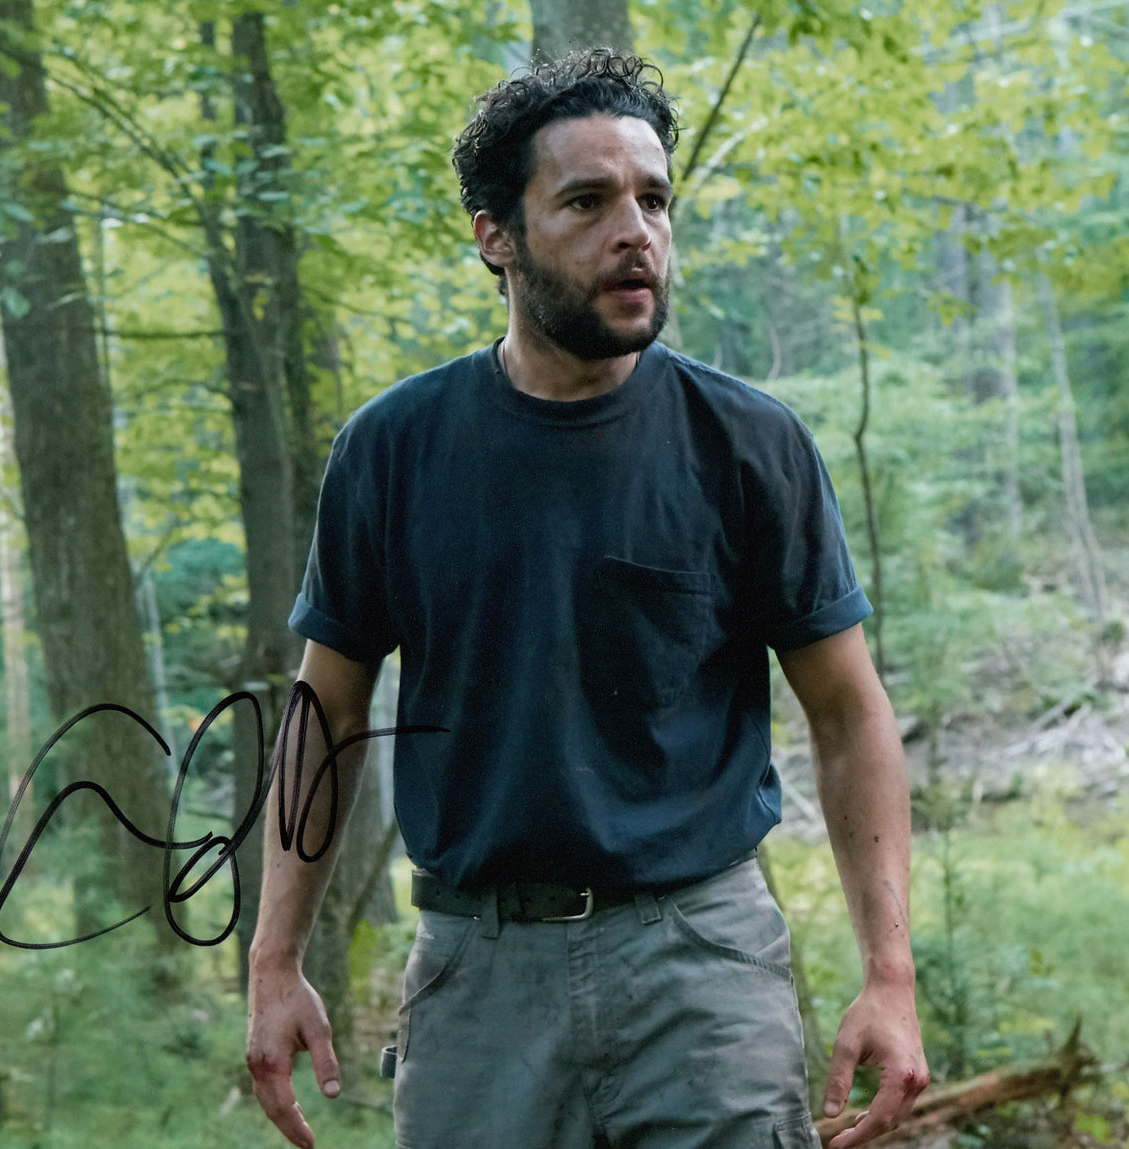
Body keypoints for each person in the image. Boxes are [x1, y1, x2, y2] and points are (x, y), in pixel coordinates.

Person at [246, 48, 928, 1149]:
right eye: (586, 201)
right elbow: (322, 711)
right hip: (477, 974)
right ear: (496, 237)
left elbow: (848, 712)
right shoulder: (392, 449)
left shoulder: (748, 445)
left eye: (653, 199)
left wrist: (888, 975)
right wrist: (274, 957)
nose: (635, 232)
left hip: (700, 964)